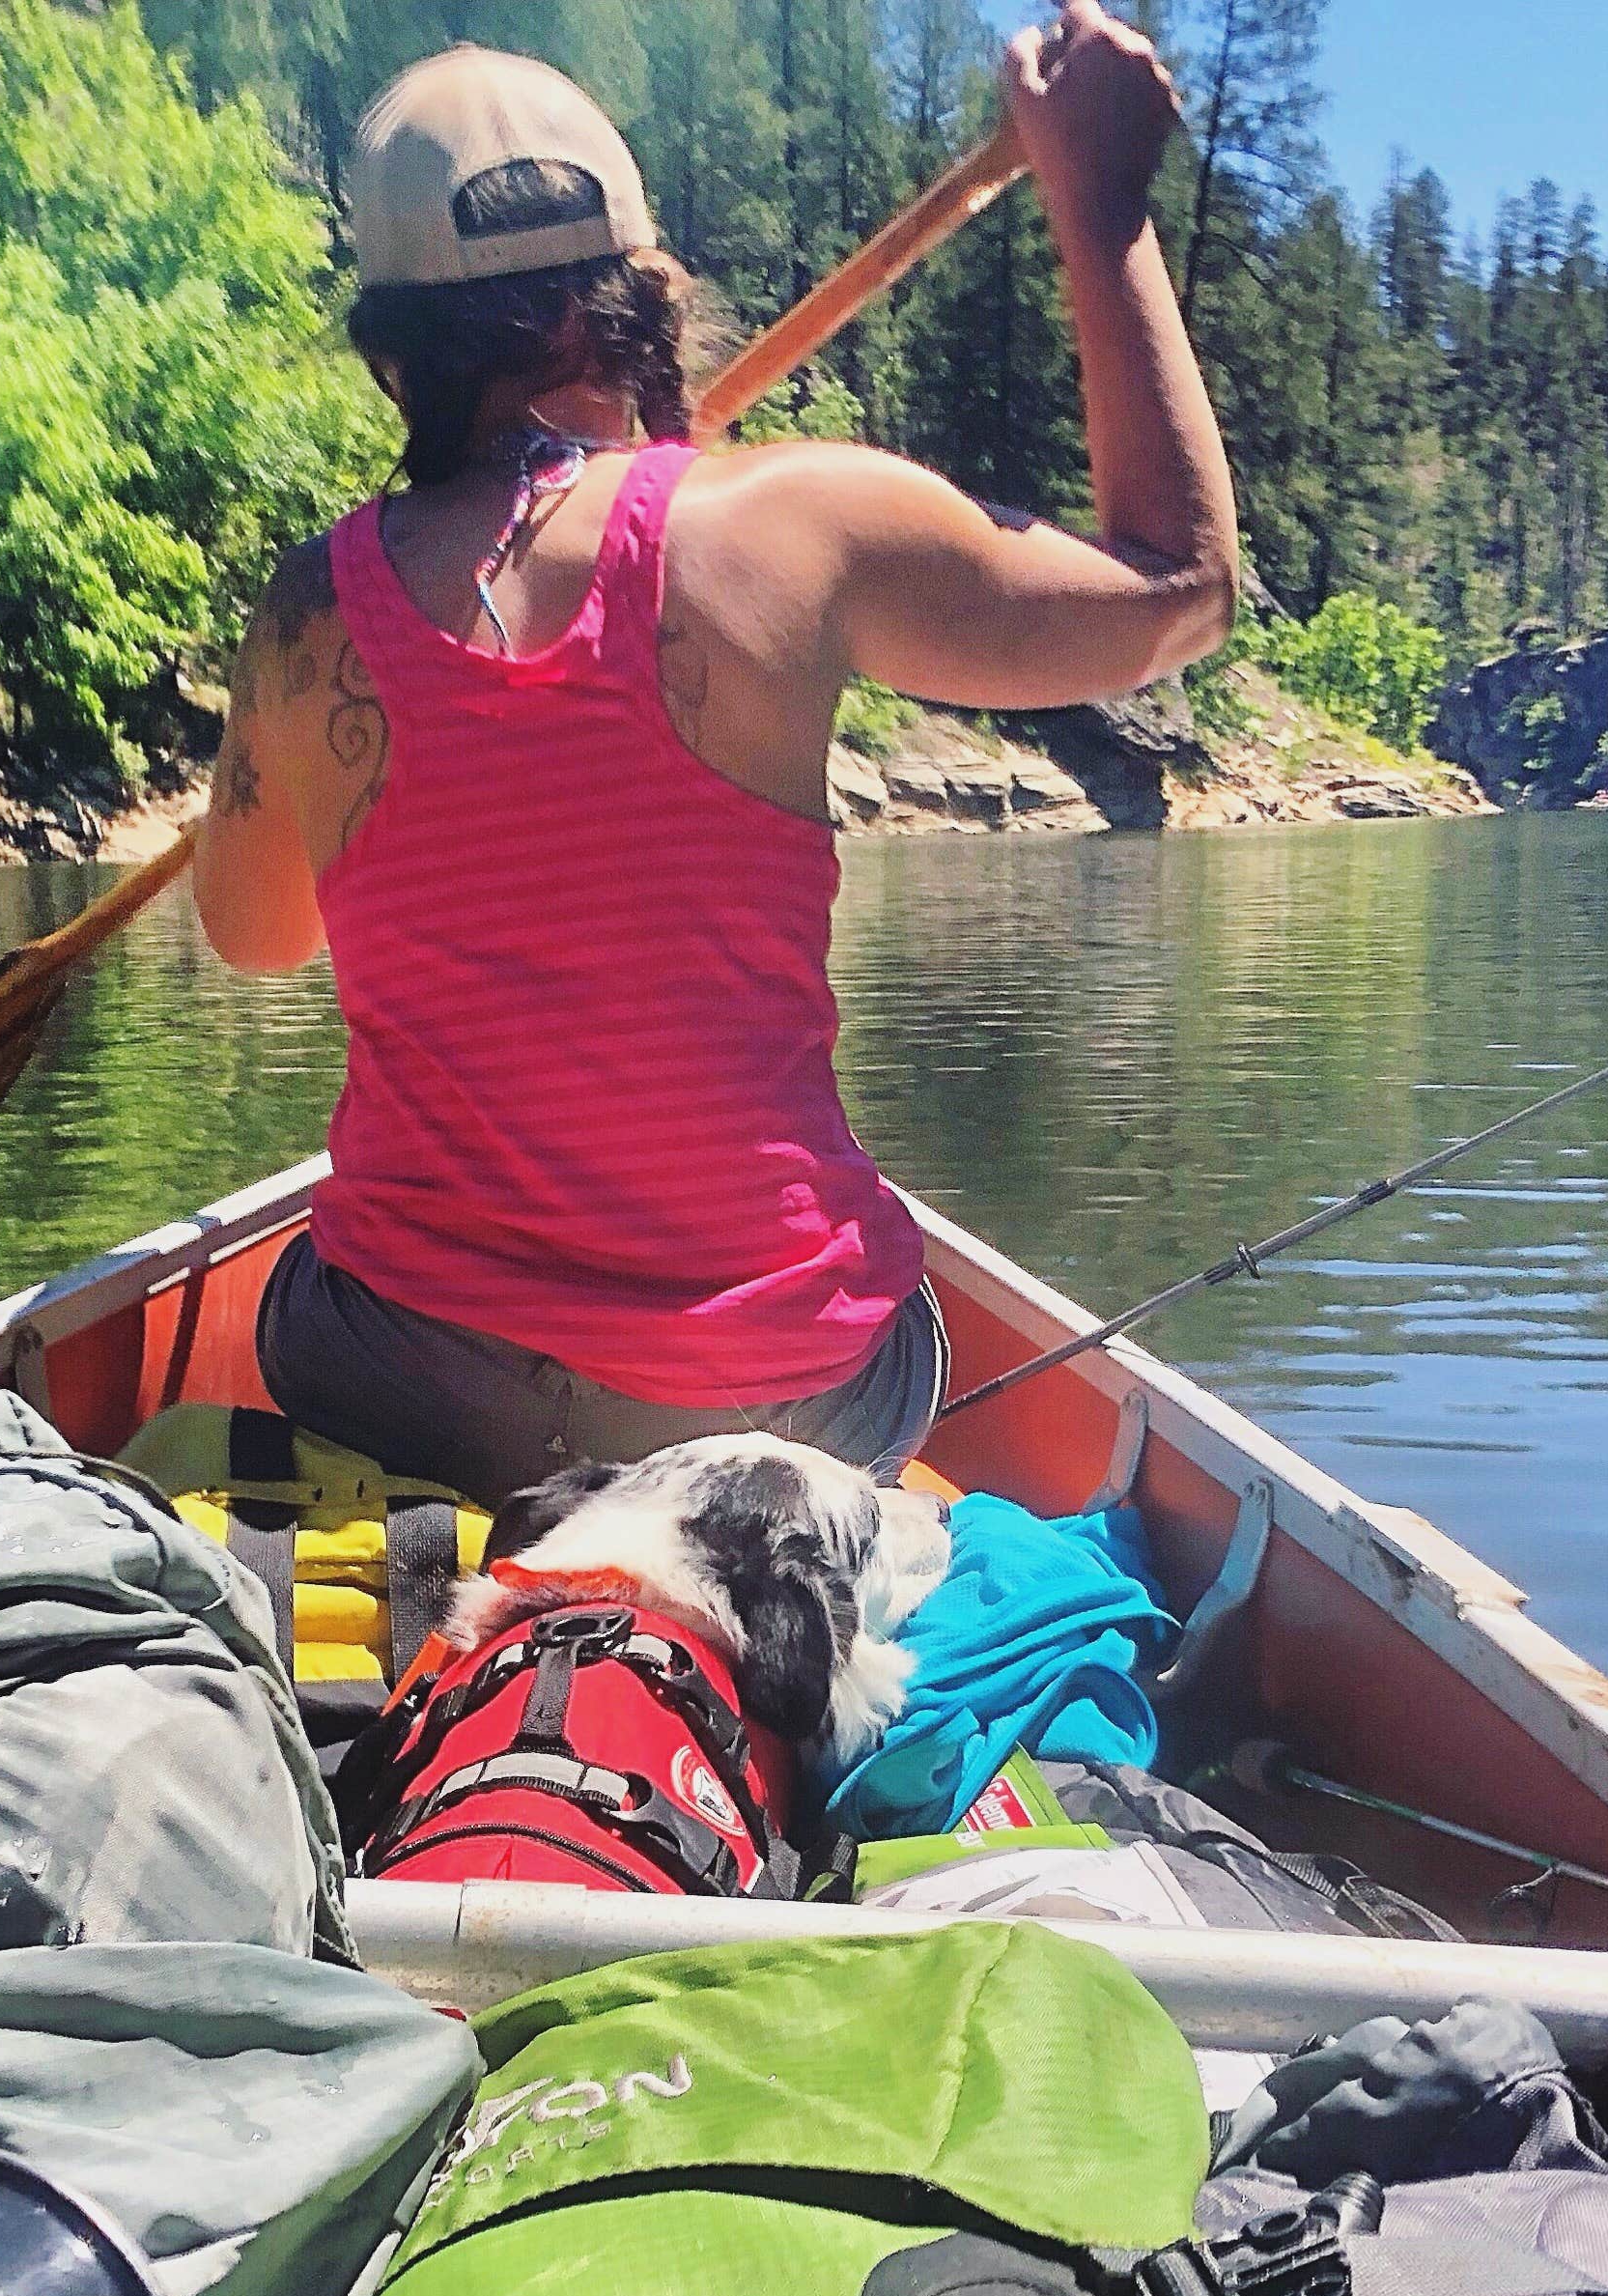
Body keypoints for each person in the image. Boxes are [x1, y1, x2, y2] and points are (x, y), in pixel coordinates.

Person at [197, 2, 1237, 1502]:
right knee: (899, 1318)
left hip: (418, 1389)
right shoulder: (790, 526)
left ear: (389, 359)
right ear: (641, 301)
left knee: (300, 1289)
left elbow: (252, 936)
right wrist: (1102, 206)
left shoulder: (307, 614)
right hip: (777, 1408)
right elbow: (1178, 592)